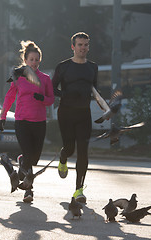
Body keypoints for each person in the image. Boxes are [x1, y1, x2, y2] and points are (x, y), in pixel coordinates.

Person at [0, 40, 54, 203]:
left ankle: (22, 163)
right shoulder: (18, 77)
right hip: (22, 121)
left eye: (37, 60)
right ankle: (28, 191)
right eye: (31, 60)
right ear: (25, 60)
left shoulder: (45, 79)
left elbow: (51, 100)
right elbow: (9, 97)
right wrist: (2, 116)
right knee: (30, 153)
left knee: (34, 158)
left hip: (39, 122)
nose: (34, 63)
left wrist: (42, 98)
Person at [52, 32, 98, 203]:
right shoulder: (63, 66)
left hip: (84, 113)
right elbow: (51, 88)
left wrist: (104, 106)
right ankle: (63, 158)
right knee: (70, 149)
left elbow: (95, 90)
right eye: (80, 45)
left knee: (83, 152)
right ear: (73, 47)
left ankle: (79, 190)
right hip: (66, 113)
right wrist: (66, 94)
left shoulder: (93, 67)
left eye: (86, 45)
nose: (83, 48)